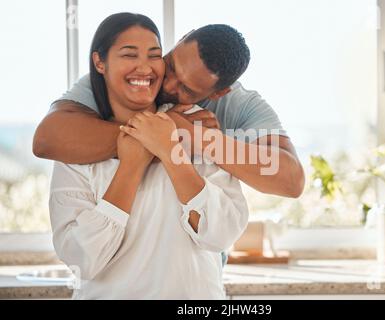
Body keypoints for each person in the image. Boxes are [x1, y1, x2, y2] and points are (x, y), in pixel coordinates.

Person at [49, 13, 248, 299]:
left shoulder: (198, 127)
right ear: (100, 63)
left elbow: (222, 234)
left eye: (154, 55)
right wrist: (131, 167)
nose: (145, 68)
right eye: (129, 54)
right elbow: (81, 259)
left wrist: (171, 153)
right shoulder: (76, 142)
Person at [33, 22, 305, 200]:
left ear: (219, 93)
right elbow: (48, 139)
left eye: (186, 89)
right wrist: (162, 129)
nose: (167, 83)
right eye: (171, 65)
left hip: (197, 267)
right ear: (182, 39)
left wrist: (196, 137)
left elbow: (290, 180)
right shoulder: (131, 78)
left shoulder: (240, 105)